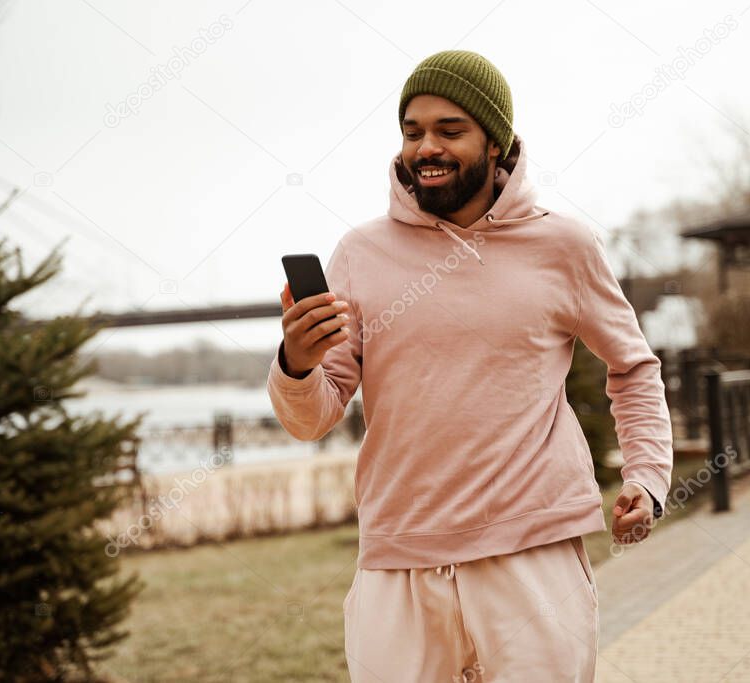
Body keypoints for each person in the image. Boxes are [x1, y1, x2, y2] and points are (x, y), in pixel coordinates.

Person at [267, 49, 672, 683]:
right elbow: (313, 418)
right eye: (412, 131)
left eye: (449, 131)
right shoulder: (360, 253)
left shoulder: (564, 246)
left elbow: (633, 368)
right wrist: (297, 363)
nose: (426, 147)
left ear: (496, 140)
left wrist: (648, 476)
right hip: (398, 557)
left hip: (531, 552)